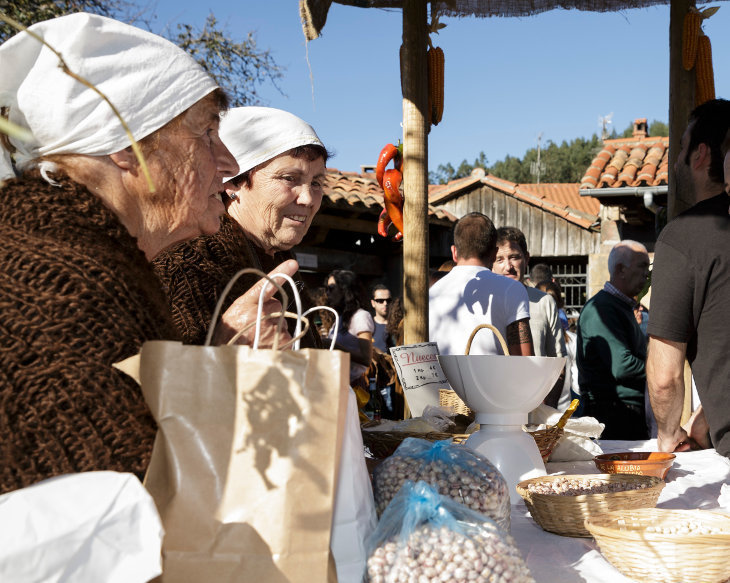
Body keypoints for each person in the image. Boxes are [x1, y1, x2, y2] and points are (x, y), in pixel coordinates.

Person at [0, 13, 293, 493]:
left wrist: (219, 359)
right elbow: (134, 509)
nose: (229, 162)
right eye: (206, 133)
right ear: (126, 148)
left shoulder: (88, 259)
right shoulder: (62, 287)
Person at [154, 106, 329, 346]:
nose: (308, 198)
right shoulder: (185, 265)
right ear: (234, 184)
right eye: (289, 178)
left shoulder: (281, 262)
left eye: (317, 183)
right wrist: (225, 345)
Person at [647, 99, 730, 457]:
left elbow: (665, 378)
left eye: (680, 148)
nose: (675, 160)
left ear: (699, 155)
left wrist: (667, 436)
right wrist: (707, 417)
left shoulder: (683, 237)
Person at [429, 213, 533, 356]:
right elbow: (524, 360)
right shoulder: (512, 289)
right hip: (496, 378)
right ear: (494, 254)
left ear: (454, 252)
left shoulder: (432, 292)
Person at [576, 240, 651, 439]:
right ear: (620, 270)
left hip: (626, 411)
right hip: (613, 414)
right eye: (642, 266)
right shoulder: (602, 309)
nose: (647, 273)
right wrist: (660, 369)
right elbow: (623, 366)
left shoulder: (621, 307)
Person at [325, 270, 375, 391]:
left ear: (345, 289)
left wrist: (334, 346)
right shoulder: (340, 318)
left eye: (331, 288)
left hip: (354, 388)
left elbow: (366, 358)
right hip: (337, 384)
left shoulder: (361, 316)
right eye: (326, 288)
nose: (327, 293)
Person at [538, 280, 581, 413]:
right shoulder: (529, 338)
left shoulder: (572, 340)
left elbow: (577, 381)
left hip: (561, 413)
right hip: (544, 411)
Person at [370, 284, 393, 352]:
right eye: (380, 300)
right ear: (373, 303)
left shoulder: (399, 325)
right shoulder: (367, 326)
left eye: (388, 300)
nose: (385, 303)